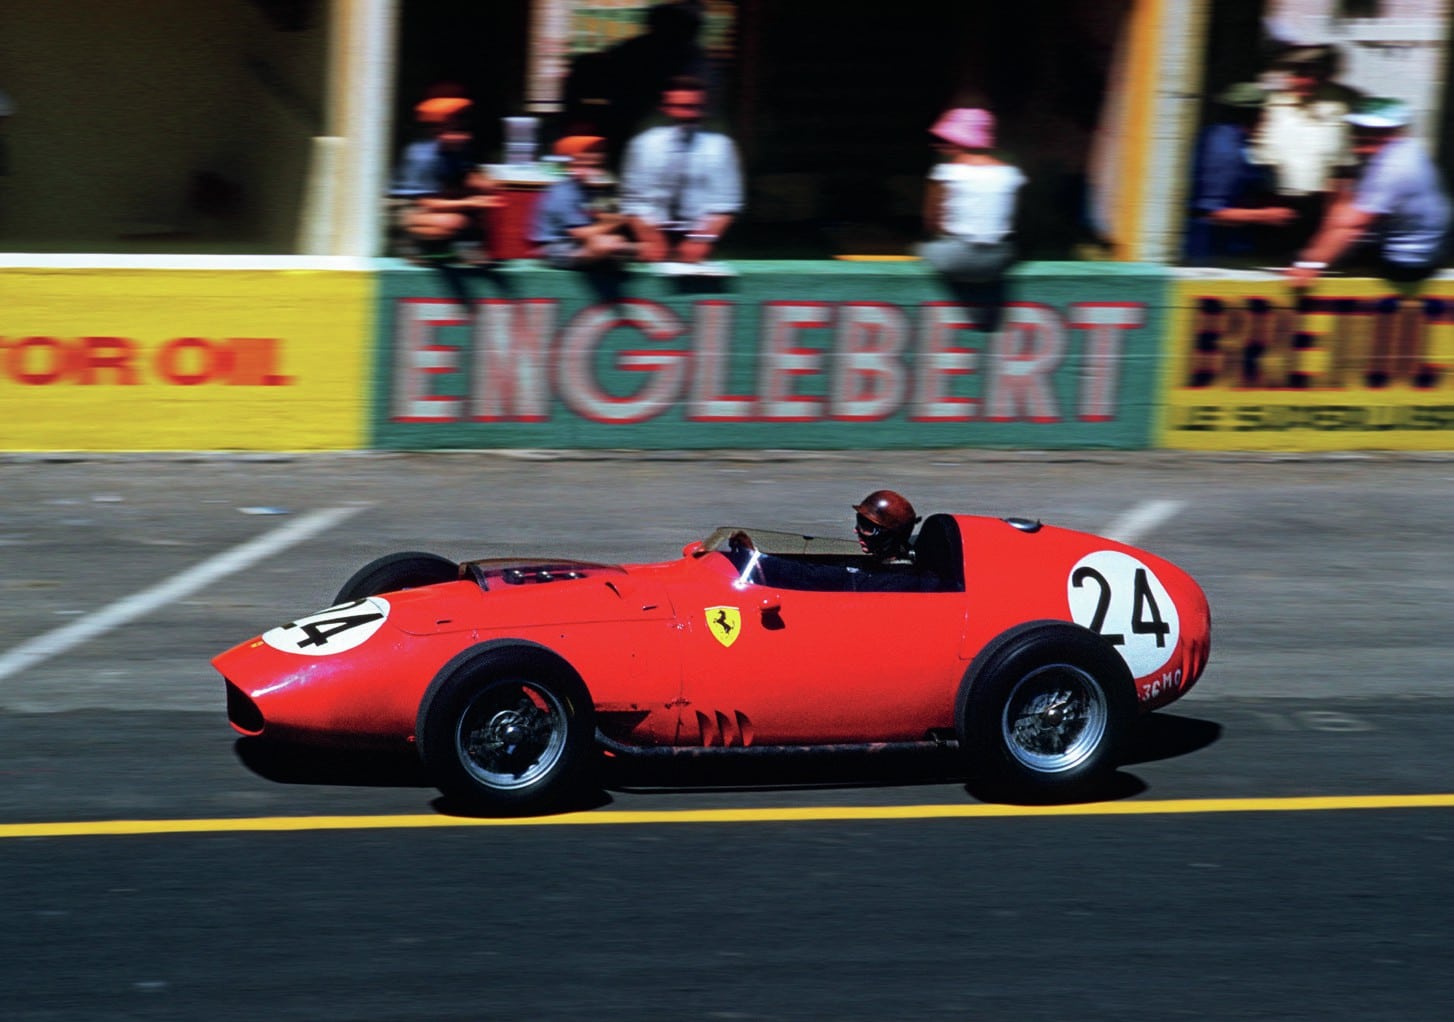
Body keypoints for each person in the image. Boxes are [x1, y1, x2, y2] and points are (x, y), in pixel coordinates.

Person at [1285, 98, 1450, 288]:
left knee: (1324, 227)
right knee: (1336, 204)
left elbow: (1352, 226)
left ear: (1395, 131)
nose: (1360, 136)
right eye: (1359, 129)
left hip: (1408, 264)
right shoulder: (1408, 149)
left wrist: (1309, 264)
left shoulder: (1392, 168)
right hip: (1429, 246)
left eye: (1375, 132)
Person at [619, 75, 743, 265]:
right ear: (665, 108)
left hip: (699, 236)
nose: (691, 114)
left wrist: (702, 240)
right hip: (652, 234)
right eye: (683, 107)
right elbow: (632, 200)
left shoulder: (720, 146)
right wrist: (650, 238)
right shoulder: (644, 144)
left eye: (696, 107)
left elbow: (726, 202)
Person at [1249, 44, 1362, 249]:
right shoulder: (1274, 104)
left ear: (1326, 74)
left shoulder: (1342, 103)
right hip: (1274, 203)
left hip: (1322, 206)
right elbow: (1259, 151)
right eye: (1300, 73)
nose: (1306, 80)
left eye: (1314, 74)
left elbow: (1348, 163)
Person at [727, 490, 940, 593]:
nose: (857, 531)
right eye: (859, 522)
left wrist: (758, 562)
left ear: (889, 534)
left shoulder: (894, 580)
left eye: (867, 527)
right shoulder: (879, 565)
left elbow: (819, 576)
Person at [1184, 83, 1298, 265]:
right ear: (1253, 115)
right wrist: (1267, 215)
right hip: (1211, 252)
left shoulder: (1227, 140)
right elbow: (1213, 213)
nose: (1267, 119)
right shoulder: (1224, 149)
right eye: (1264, 113)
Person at [915, 107, 1027, 285]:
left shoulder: (947, 172)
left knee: (920, 250)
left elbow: (932, 222)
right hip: (997, 260)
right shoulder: (1009, 173)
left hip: (957, 259)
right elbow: (1013, 220)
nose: (941, 146)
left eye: (946, 140)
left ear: (957, 141)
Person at [389, 96, 502, 265]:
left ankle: (466, 247)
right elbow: (428, 203)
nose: (465, 135)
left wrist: (486, 186)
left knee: (474, 204)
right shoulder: (422, 157)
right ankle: (413, 244)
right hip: (407, 208)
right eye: (457, 129)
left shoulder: (457, 151)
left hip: (440, 199)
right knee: (455, 221)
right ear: (438, 131)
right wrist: (472, 202)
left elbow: (473, 178)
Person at [530, 136, 636, 269]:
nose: (597, 172)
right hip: (557, 247)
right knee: (607, 244)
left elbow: (599, 216)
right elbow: (581, 233)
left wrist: (610, 219)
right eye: (587, 165)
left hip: (579, 242)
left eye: (598, 165)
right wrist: (619, 220)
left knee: (618, 242)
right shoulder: (563, 193)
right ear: (572, 166)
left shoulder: (587, 190)